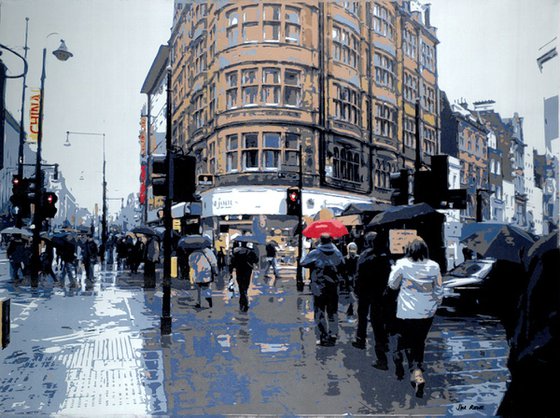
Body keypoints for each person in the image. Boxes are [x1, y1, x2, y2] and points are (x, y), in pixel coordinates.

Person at [388, 238, 443, 398]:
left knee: (406, 340)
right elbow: (439, 289)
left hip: (406, 312)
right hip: (427, 312)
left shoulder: (402, 264)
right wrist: (436, 304)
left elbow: (392, 284)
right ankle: (416, 369)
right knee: (419, 342)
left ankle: (411, 368)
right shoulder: (434, 266)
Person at [351, 232, 394, 372]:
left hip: (365, 292)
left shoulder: (365, 256)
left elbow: (358, 274)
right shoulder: (385, 257)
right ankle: (384, 344)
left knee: (363, 316)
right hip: (381, 294)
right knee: (379, 322)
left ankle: (361, 339)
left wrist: (356, 289)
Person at [301, 233, 345, 346]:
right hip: (333, 286)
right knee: (332, 311)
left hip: (318, 286)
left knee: (319, 312)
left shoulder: (315, 252)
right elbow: (343, 265)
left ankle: (323, 336)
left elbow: (303, 263)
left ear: (321, 240)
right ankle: (333, 334)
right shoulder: (337, 253)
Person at [229, 240, 259, 312]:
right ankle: (244, 302)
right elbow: (256, 260)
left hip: (239, 270)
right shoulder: (250, 252)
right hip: (248, 271)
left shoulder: (236, 252)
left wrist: (230, 271)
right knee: (245, 286)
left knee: (240, 286)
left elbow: (232, 262)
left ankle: (242, 301)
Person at [342, 242, 359, 320]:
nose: (352, 251)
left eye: (354, 249)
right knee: (352, 294)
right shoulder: (345, 259)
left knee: (354, 294)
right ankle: (353, 310)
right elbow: (343, 270)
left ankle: (350, 310)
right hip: (348, 280)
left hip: (356, 279)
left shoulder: (358, 258)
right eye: (351, 249)